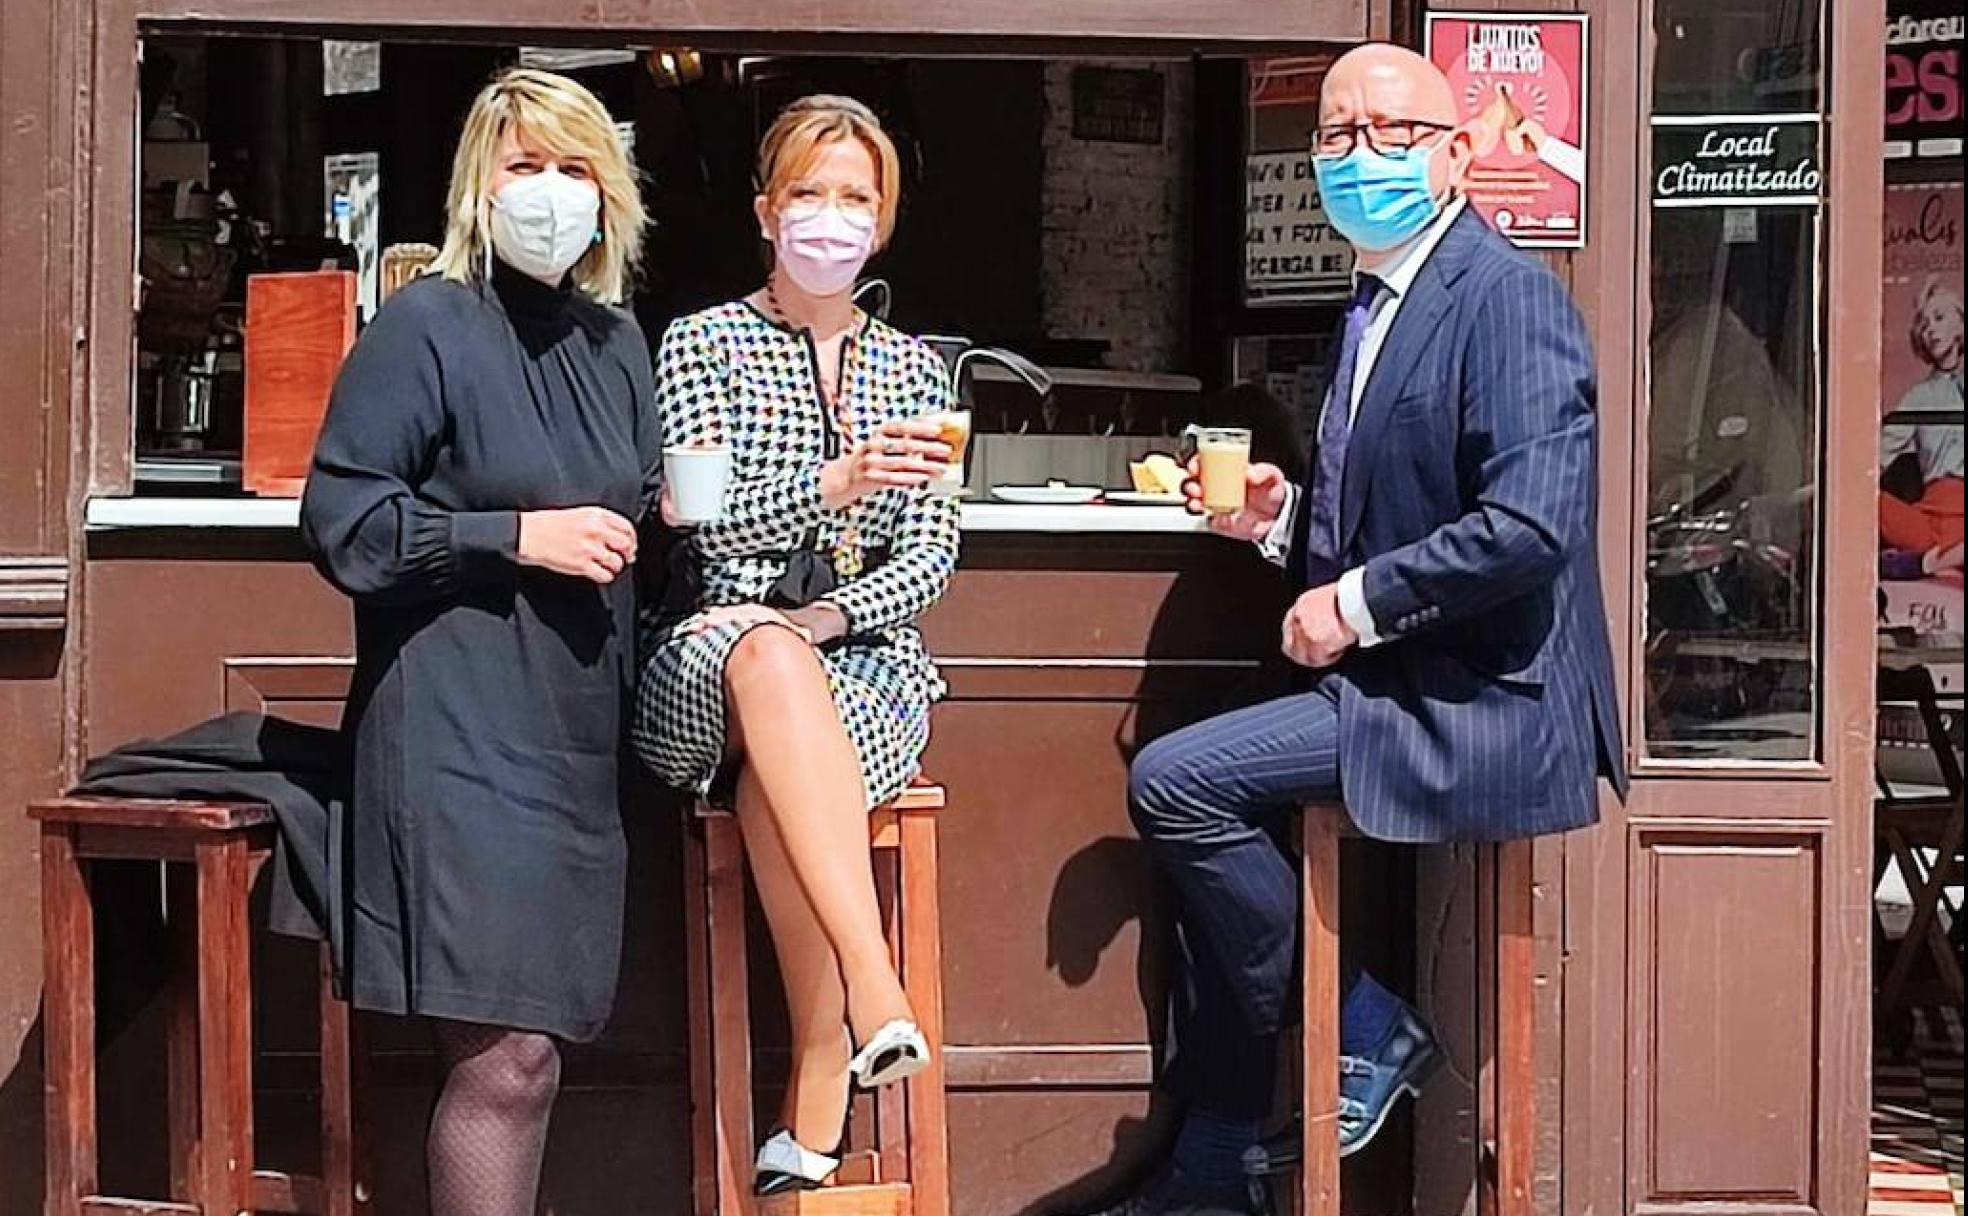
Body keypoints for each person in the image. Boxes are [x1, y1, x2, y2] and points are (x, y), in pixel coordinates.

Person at [1096, 44, 1627, 1213]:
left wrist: (1358, 602)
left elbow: (1532, 524)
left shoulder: (1506, 298)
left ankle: (1367, 1029)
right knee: (1204, 841)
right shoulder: (1379, 302)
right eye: (1335, 136)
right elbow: (1380, 518)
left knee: (1180, 784)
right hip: (1402, 679)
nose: (1357, 157)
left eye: (1389, 133)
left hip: (1487, 698)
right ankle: (1213, 1162)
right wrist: (1282, 526)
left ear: (1454, 155)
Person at [299, 69, 654, 1216]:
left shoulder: (614, 343)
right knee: (504, 1058)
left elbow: (637, 511)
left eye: (573, 170)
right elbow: (344, 523)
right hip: (452, 732)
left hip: (571, 737)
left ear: (610, 196)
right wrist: (513, 536)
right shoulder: (426, 328)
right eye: (524, 167)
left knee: (537, 1056)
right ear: (477, 186)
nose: (549, 194)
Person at [630, 95, 961, 1196]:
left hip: (862, 662)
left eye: (855, 197)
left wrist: (828, 616)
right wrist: (835, 483)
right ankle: (874, 986)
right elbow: (699, 522)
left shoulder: (916, 369)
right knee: (767, 664)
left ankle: (819, 1079)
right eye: (810, 194)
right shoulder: (703, 341)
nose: (832, 218)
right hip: (713, 651)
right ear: (768, 211)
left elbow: (929, 559)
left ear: (886, 221)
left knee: (788, 763)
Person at [1879, 276, 1965, 574]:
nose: (1931, 331)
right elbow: (1875, 456)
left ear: (1960, 326)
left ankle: (1937, 563)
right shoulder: (1919, 396)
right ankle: (1935, 562)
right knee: (1860, 501)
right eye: (1925, 324)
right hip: (1929, 523)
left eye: (1940, 318)